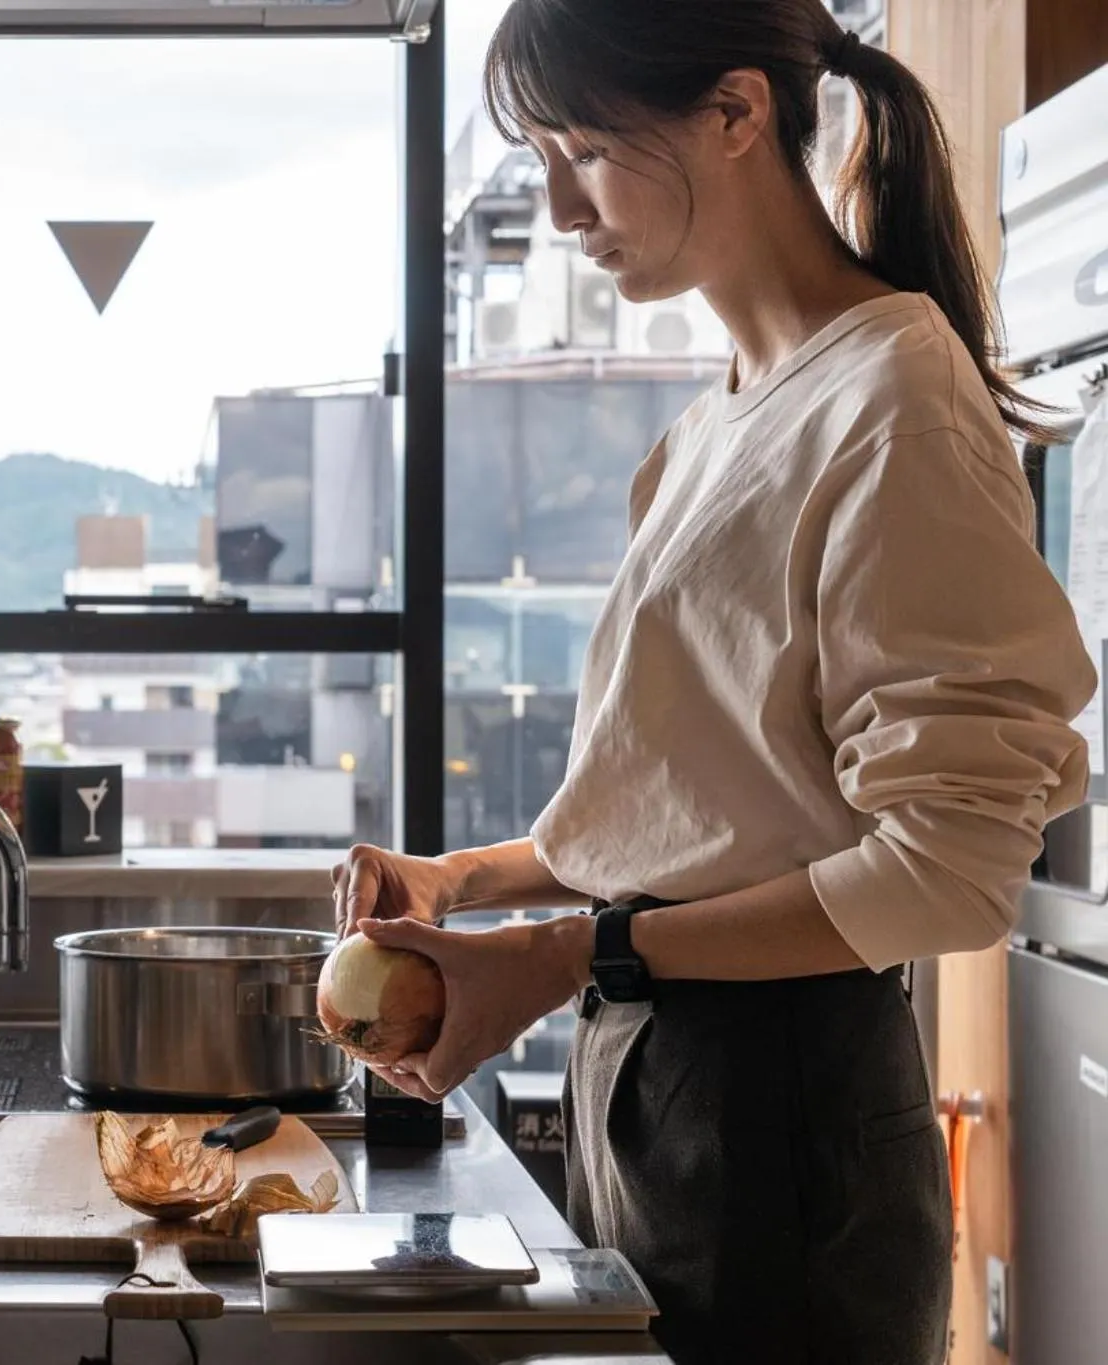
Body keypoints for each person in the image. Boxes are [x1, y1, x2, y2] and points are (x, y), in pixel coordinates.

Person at [334, 2, 1094, 1362]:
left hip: (781, 1105)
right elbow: (717, 804)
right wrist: (474, 882)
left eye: (582, 149)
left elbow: (949, 872)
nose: (562, 206)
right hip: (670, 1081)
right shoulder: (716, 423)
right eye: (539, 161)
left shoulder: (893, 402)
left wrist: (571, 954)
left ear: (737, 113)